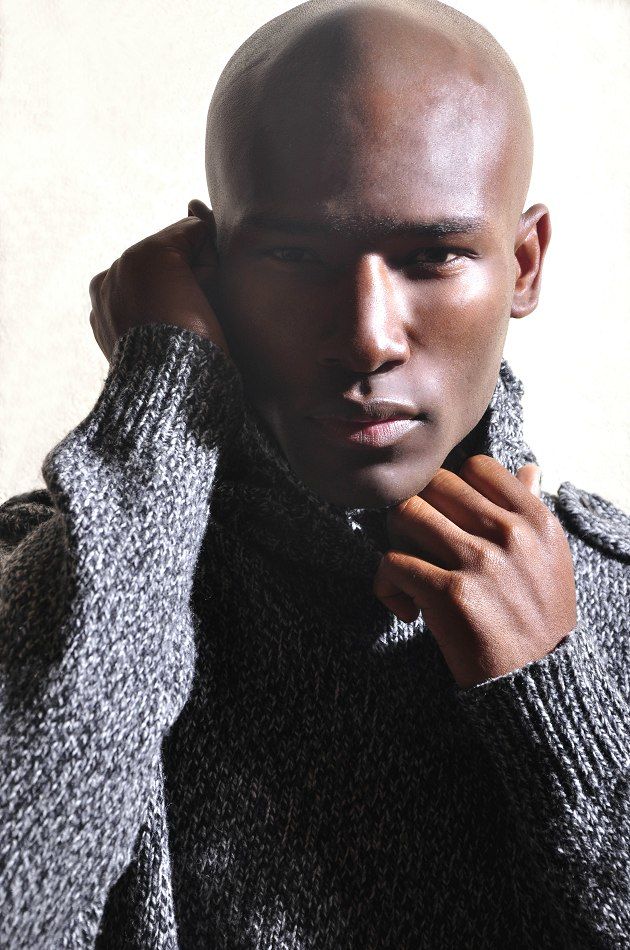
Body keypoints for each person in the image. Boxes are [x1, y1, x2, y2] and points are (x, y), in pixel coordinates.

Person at [1, 0, 629, 946]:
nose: (369, 337)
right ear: (210, 268)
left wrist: (559, 711)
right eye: (295, 256)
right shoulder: (59, 584)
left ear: (525, 263)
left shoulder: (617, 595)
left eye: (433, 255)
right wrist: (161, 411)